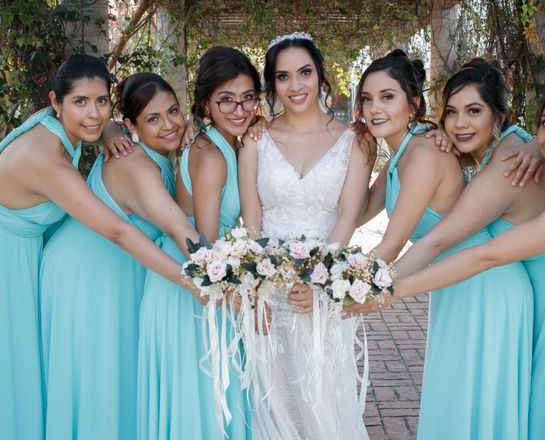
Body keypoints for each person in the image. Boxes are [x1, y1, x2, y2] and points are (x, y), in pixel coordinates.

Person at [352, 76, 545, 439]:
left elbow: (461, 249)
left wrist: (387, 290)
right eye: (451, 113)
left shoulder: (514, 169)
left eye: (474, 111)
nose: (459, 123)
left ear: (499, 114)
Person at [0, 55, 194, 440]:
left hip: (36, 253)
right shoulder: (47, 160)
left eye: (101, 101)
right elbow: (119, 232)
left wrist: (109, 131)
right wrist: (193, 281)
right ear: (56, 102)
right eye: (80, 102)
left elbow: (95, 123)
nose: (93, 113)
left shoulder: (57, 123)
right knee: (17, 373)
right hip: (9, 262)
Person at [352, 54, 534, 438]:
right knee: (453, 396)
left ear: (414, 103)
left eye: (387, 97)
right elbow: (358, 214)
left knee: (471, 399)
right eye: (366, 99)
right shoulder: (402, 154)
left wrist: (345, 291)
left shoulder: (425, 153)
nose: (374, 108)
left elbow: (390, 246)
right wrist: (362, 158)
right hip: (454, 284)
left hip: (485, 283)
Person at [238, 32, 370, 439]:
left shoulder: (355, 140)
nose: (295, 86)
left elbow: (349, 213)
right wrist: (258, 286)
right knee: (275, 396)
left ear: (320, 75)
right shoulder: (255, 139)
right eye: (283, 77)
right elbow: (252, 217)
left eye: (304, 72)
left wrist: (320, 280)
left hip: (322, 288)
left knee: (323, 395)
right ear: (271, 85)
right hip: (269, 291)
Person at [137, 47, 259, 440]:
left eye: (248, 98)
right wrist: (240, 295)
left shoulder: (224, 140)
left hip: (201, 273)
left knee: (208, 392)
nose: (238, 109)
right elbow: (205, 245)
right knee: (204, 393)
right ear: (206, 102)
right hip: (194, 280)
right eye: (226, 99)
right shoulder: (211, 156)